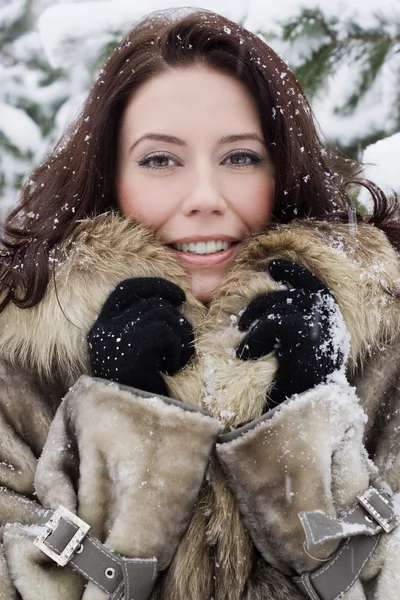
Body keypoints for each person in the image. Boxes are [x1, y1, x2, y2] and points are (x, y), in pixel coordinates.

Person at [0, 7, 399, 600]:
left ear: (283, 169)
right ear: (109, 176)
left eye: (240, 156)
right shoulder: (20, 364)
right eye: (160, 159)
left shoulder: (383, 347)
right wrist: (124, 431)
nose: (205, 197)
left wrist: (309, 425)